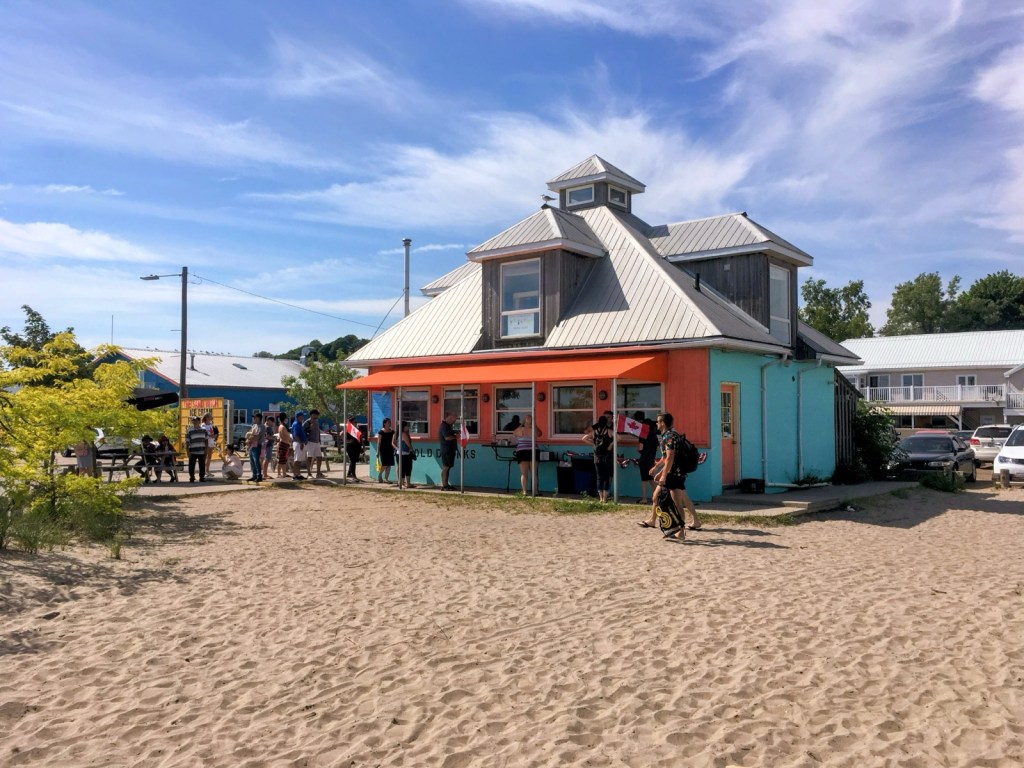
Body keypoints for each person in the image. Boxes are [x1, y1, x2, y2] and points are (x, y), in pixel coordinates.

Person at [640, 412, 702, 539]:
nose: (656, 424)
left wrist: (663, 475)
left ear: (663, 423)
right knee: (657, 497)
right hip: (673, 473)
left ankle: (680, 530)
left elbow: (670, 457)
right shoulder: (667, 436)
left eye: (658, 421)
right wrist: (657, 468)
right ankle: (672, 527)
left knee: (676, 503)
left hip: (674, 474)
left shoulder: (669, 437)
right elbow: (665, 457)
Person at [583, 411, 614, 502]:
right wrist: (610, 444)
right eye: (606, 417)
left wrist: (594, 444)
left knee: (600, 477)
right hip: (606, 455)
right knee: (606, 477)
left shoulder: (595, 430)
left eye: (609, 417)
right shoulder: (609, 430)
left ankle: (601, 498)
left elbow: (584, 438)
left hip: (598, 456)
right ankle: (604, 497)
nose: (608, 418)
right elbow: (618, 437)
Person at [513, 414, 542, 495]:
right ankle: (535, 491)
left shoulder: (520, 429)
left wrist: (522, 425)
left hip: (522, 451)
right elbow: (540, 434)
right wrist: (534, 425)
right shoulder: (534, 429)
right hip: (532, 450)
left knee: (524, 473)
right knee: (534, 473)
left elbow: (514, 433)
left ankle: (524, 491)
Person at [635, 411, 659, 504]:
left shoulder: (643, 435)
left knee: (644, 480)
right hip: (651, 459)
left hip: (644, 459)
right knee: (651, 480)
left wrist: (639, 449)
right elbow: (657, 447)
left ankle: (644, 498)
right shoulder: (654, 436)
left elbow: (640, 448)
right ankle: (656, 497)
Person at [438, 411, 458, 490]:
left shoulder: (449, 426)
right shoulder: (444, 426)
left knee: (448, 467)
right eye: (454, 418)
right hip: (446, 450)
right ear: (450, 417)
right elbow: (447, 437)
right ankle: (444, 485)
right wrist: (456, 437)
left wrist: (455, 433)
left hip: (450, 449)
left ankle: (446, 484)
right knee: (446, 467)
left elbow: (450, 434)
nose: (455, 420)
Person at [186, 416, 209, 483]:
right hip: (192, 451)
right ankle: (192, 477)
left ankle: (202, 477)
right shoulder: (189, 430)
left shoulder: (204, 430)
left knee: (202, 465)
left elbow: (206, 441)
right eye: (193, 421)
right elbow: (187, 442)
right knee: (191, 465)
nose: (195, 422)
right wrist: (187, 452)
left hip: (202, 451)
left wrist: (206, 450)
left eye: (196, 420)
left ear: (199, 421)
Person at [245, 413, 267, 482]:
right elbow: (249, 433)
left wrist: (249, 439)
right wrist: (248, 440)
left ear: (259, 418)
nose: (254, 419)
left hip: (257, 445)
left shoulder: (262, 426)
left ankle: (259, 476)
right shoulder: (254, 425)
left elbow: (257, 437)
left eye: (255, 417)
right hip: (252, 445)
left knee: (256, 461)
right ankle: (254, 475)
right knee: (252, 461)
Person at [305, 409, 326, 478]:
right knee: (309, 458)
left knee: (319, 457)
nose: (317, 415)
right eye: (316, 414)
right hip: (310, 442)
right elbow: (303, 431)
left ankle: (318, 473)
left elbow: (318, 432)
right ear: (312, 415)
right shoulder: (307, 422)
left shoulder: (317, 421)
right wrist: (309, 428)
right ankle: (309, 474)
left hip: (317, 442)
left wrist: (319, 440)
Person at [395, 421, 415, 489]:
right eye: (407, 426)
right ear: (403, 427)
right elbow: (408, 444)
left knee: (407, 468)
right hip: (403, 454)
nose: (408, 427)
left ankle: (407, 483)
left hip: (404, 453)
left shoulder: (403, 433)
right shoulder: (403, 434)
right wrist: (413, 451)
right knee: (404, 468)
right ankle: (403, 483)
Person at [376, 418, 396, 483]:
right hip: (383, 450)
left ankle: (386, 479)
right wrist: (378, 451)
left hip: (390, 449)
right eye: (388, 422)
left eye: (390, 422)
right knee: (385, 464)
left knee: (389, 464)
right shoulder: (381, 432)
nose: (389, 424)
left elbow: (394, 441)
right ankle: (379, 475)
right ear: (384, 423)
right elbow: (379, 442)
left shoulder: (392, 432)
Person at [290, 412, 308, 481]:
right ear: (299, 417)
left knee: (299, 460)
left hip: (300, 443)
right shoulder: (296, 424)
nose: (303, 417)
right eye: (302, 416)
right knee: (297, 460)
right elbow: (296, 435)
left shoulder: (299, 424)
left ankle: (298, 474)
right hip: (298, 443)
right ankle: (294, 475)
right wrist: (300, 443)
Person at [344, 416, 362, 481]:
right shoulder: (348, 429)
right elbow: (341, 435)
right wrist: (348, 441)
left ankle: (349, 473)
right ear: (351, 423)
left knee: (354, 460)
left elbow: (360, 438)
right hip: (350, 447)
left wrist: (363, 446)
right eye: (355, 422)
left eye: (356, 422)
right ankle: (354, 476)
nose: (356, 423)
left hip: (357, 446)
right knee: (352, 461)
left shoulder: (357, 429)